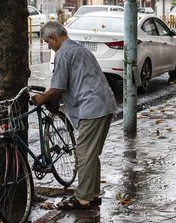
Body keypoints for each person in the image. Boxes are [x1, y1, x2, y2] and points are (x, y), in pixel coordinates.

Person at [31, 21, 117, 210]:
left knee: (84, 153)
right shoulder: (79, 48)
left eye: (48, 42)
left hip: (92, 108)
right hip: (104, 104)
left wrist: (42, 98)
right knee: (91, 153)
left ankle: (83, 198)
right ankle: (93, 194)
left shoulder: (63, 53)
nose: (48, 46)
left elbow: (58, 86)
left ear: (53, 39)